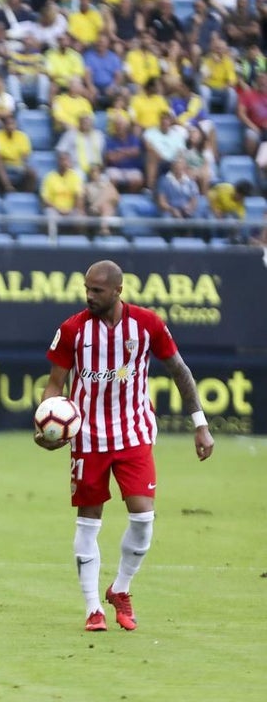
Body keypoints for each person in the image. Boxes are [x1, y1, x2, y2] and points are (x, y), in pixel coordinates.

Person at [36, 260, 214, 632]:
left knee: (143, 520)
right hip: (87, 438)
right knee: (88, 521)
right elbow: (56, 383)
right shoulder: (73, 329)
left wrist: (200, 424)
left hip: (134, 434)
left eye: (97, 290)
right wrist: (47, 425)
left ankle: (120, 589)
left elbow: (180, 371)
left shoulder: (147, 324)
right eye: (86, 289)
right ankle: (92, 609)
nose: (89, 296)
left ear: (117, 291)